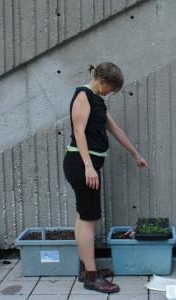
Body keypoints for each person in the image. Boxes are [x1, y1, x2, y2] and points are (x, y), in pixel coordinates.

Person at [63, 62, 148, 294]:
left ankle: (85, 268)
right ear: (103, 81)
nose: (111, 92)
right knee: (90, 218)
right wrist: (88, 166)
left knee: (84, 216)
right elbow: (78, 131)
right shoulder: (83, 95)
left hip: (87, 163)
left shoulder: (97, 100)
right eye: (112, 88)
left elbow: (116, 130)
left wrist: (136, 154)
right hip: (82, 164)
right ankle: (92, 277)